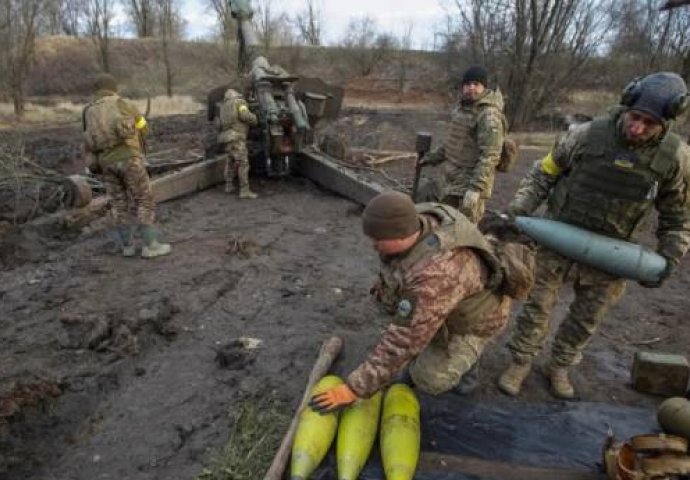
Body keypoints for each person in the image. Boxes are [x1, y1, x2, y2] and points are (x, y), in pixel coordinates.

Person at [498, 72, 690, 399]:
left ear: (666, 122)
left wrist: (669, 258)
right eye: (635, 117)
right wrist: (520, 209)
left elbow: (678, 217)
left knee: (588, 318)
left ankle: (560, 365)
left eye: (649, 123)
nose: (638, 128)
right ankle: (521, 361)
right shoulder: (586, 136)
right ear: (625, 106)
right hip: (556, 239)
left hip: (611, 253)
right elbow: (544, 174)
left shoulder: (675, 159)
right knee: (537, 307)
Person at [309, 191, 516, 413]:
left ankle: (469, 364)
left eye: (377, 240)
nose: (372, 245)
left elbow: (403, 340)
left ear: (399, 236)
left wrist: (354, 389)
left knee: (428, 378)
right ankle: (432, 332)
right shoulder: (415, 218)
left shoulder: (437, 274)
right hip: (446, 301)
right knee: (400, 310)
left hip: (475, 321)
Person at [82, 73, 171, 259]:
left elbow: (88, 140)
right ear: (113, 87)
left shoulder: (88, 111)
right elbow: (143, 127)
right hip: (129, 159)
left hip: (106, 164)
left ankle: (127, 247)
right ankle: (150, 246)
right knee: (143, 200)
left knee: (118, 205)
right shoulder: (123, 103)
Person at [420, 65, 507, 223]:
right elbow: (453, 142)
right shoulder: (463, 109)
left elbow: (490, 156)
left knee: (465, 230)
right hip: (452, 180)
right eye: (467, 84)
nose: (471, 88)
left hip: (470, 183)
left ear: (484, 87)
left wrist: (475, 189)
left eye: (476, 84)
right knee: (444, 223)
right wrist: (431, 158)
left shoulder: (488, 115)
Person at [217, 88, 258, 199]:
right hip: (237, 137)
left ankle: (228, 186)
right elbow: (245, 116)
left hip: (226, 138)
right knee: (243, 163)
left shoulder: (223, 107)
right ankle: (244, 191)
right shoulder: (239, 102)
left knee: (230, 162)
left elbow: (219, 125)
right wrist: (255, 119)